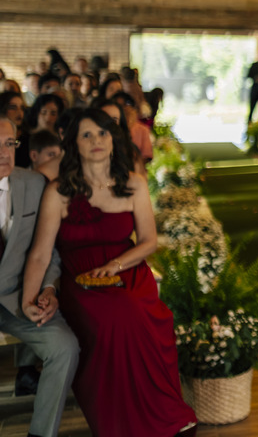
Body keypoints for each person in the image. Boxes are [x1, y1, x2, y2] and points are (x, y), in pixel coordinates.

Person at [23, 109, 195, 437]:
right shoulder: (58, 191)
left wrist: (115, 265)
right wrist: (30, 299)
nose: (96, 141)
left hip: (127, 270)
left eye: (102, 133)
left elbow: (148, 242)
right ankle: (120, 425)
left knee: (135, 313)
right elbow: (40, 254)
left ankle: (161, 414)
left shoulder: (134, 183)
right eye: (86, 135)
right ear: (74, 143)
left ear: (113, 140)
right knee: (112, 320)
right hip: (80, 279)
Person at [0, 117, 80, 437]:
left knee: (65, 347)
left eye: (9, 143)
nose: (4, 153)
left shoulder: (33, 184)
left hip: (19, 297)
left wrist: (48, 289)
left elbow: (49, 251)